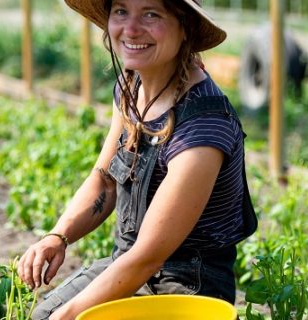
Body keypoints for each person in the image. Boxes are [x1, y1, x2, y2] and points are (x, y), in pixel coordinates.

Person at [17, 0, 257, 319]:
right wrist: (57, 237)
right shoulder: (132, 85)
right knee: (38, 316)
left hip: (184, 288)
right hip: (126, 265)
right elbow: (104, 180)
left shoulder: (202, 129)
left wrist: (69, 314)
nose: (130, 29)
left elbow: (148, 257)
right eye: (121, 11)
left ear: (184, 27)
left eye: (151, 14)